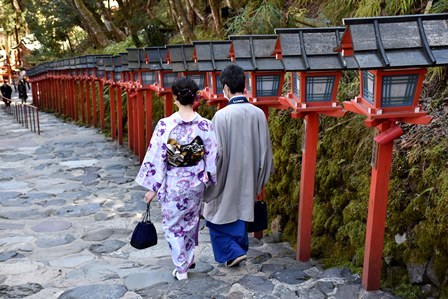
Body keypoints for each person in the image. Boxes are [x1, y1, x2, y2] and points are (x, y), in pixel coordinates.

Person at [135, 77, 218, 280]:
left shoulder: (166, 125)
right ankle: (187, 259)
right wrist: (208, 177)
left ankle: (181, 268)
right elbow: (213, 155)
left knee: (172, 226)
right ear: (195, 98)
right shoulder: (205, 126)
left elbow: (157, 157)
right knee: (190, 224)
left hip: (173, 183)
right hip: (196, 183)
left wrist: (153, 188)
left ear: (175, 98)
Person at [202, 64, 273, 267]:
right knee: (242, 209)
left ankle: (233, 251)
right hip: (250, 173)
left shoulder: (221, 116)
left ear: (225, 88)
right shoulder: (258, 114)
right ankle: (238, 249)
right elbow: (265, 151)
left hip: (226, 175)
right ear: (244, 85)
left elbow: (216, 154)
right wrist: (261, 178)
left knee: (215, 214)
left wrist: (209, 179)